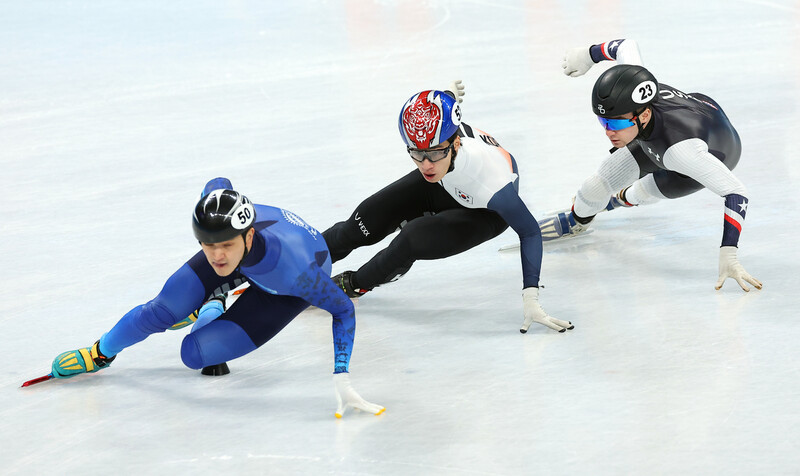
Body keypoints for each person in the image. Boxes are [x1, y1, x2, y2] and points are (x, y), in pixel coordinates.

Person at [49, 178, 384, 418]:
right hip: (253, 258)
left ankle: (212, 306)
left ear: (249, 234)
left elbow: (342, 311)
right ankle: (101, 353)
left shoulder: (296, 273)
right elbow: (217, 183)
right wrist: (218, 242)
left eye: (225, 246)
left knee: (194, 354)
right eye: (208, 246)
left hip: (282, 289)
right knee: (161, 310)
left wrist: (342, 376)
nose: (217, 255)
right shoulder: (223, 238)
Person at [322, 82, 573, 334]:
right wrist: (446, 96)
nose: (426, 164)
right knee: (361, 223)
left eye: (434, 153)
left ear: (455, 143)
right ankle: (306, 255)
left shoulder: (492, 182)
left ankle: (355, 284)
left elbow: (529, 232)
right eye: (416, 154)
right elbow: (436, 117)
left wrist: (531, 296)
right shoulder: (437, 143)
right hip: (445, 182)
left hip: (483, 211)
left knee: (411, 239)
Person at [539, 39, 762, 292]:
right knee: (594, 186)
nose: (608, 133)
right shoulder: (634, 83)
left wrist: (729, 252)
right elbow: (624, 45)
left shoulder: (681, 152)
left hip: (716, 151)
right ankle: (578, 220)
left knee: (642, 191)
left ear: (643, 115)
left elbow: (736, 192)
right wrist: (589, 55)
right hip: (684, 122)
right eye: (604, 122)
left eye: (616, 125)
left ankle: (619, 201)